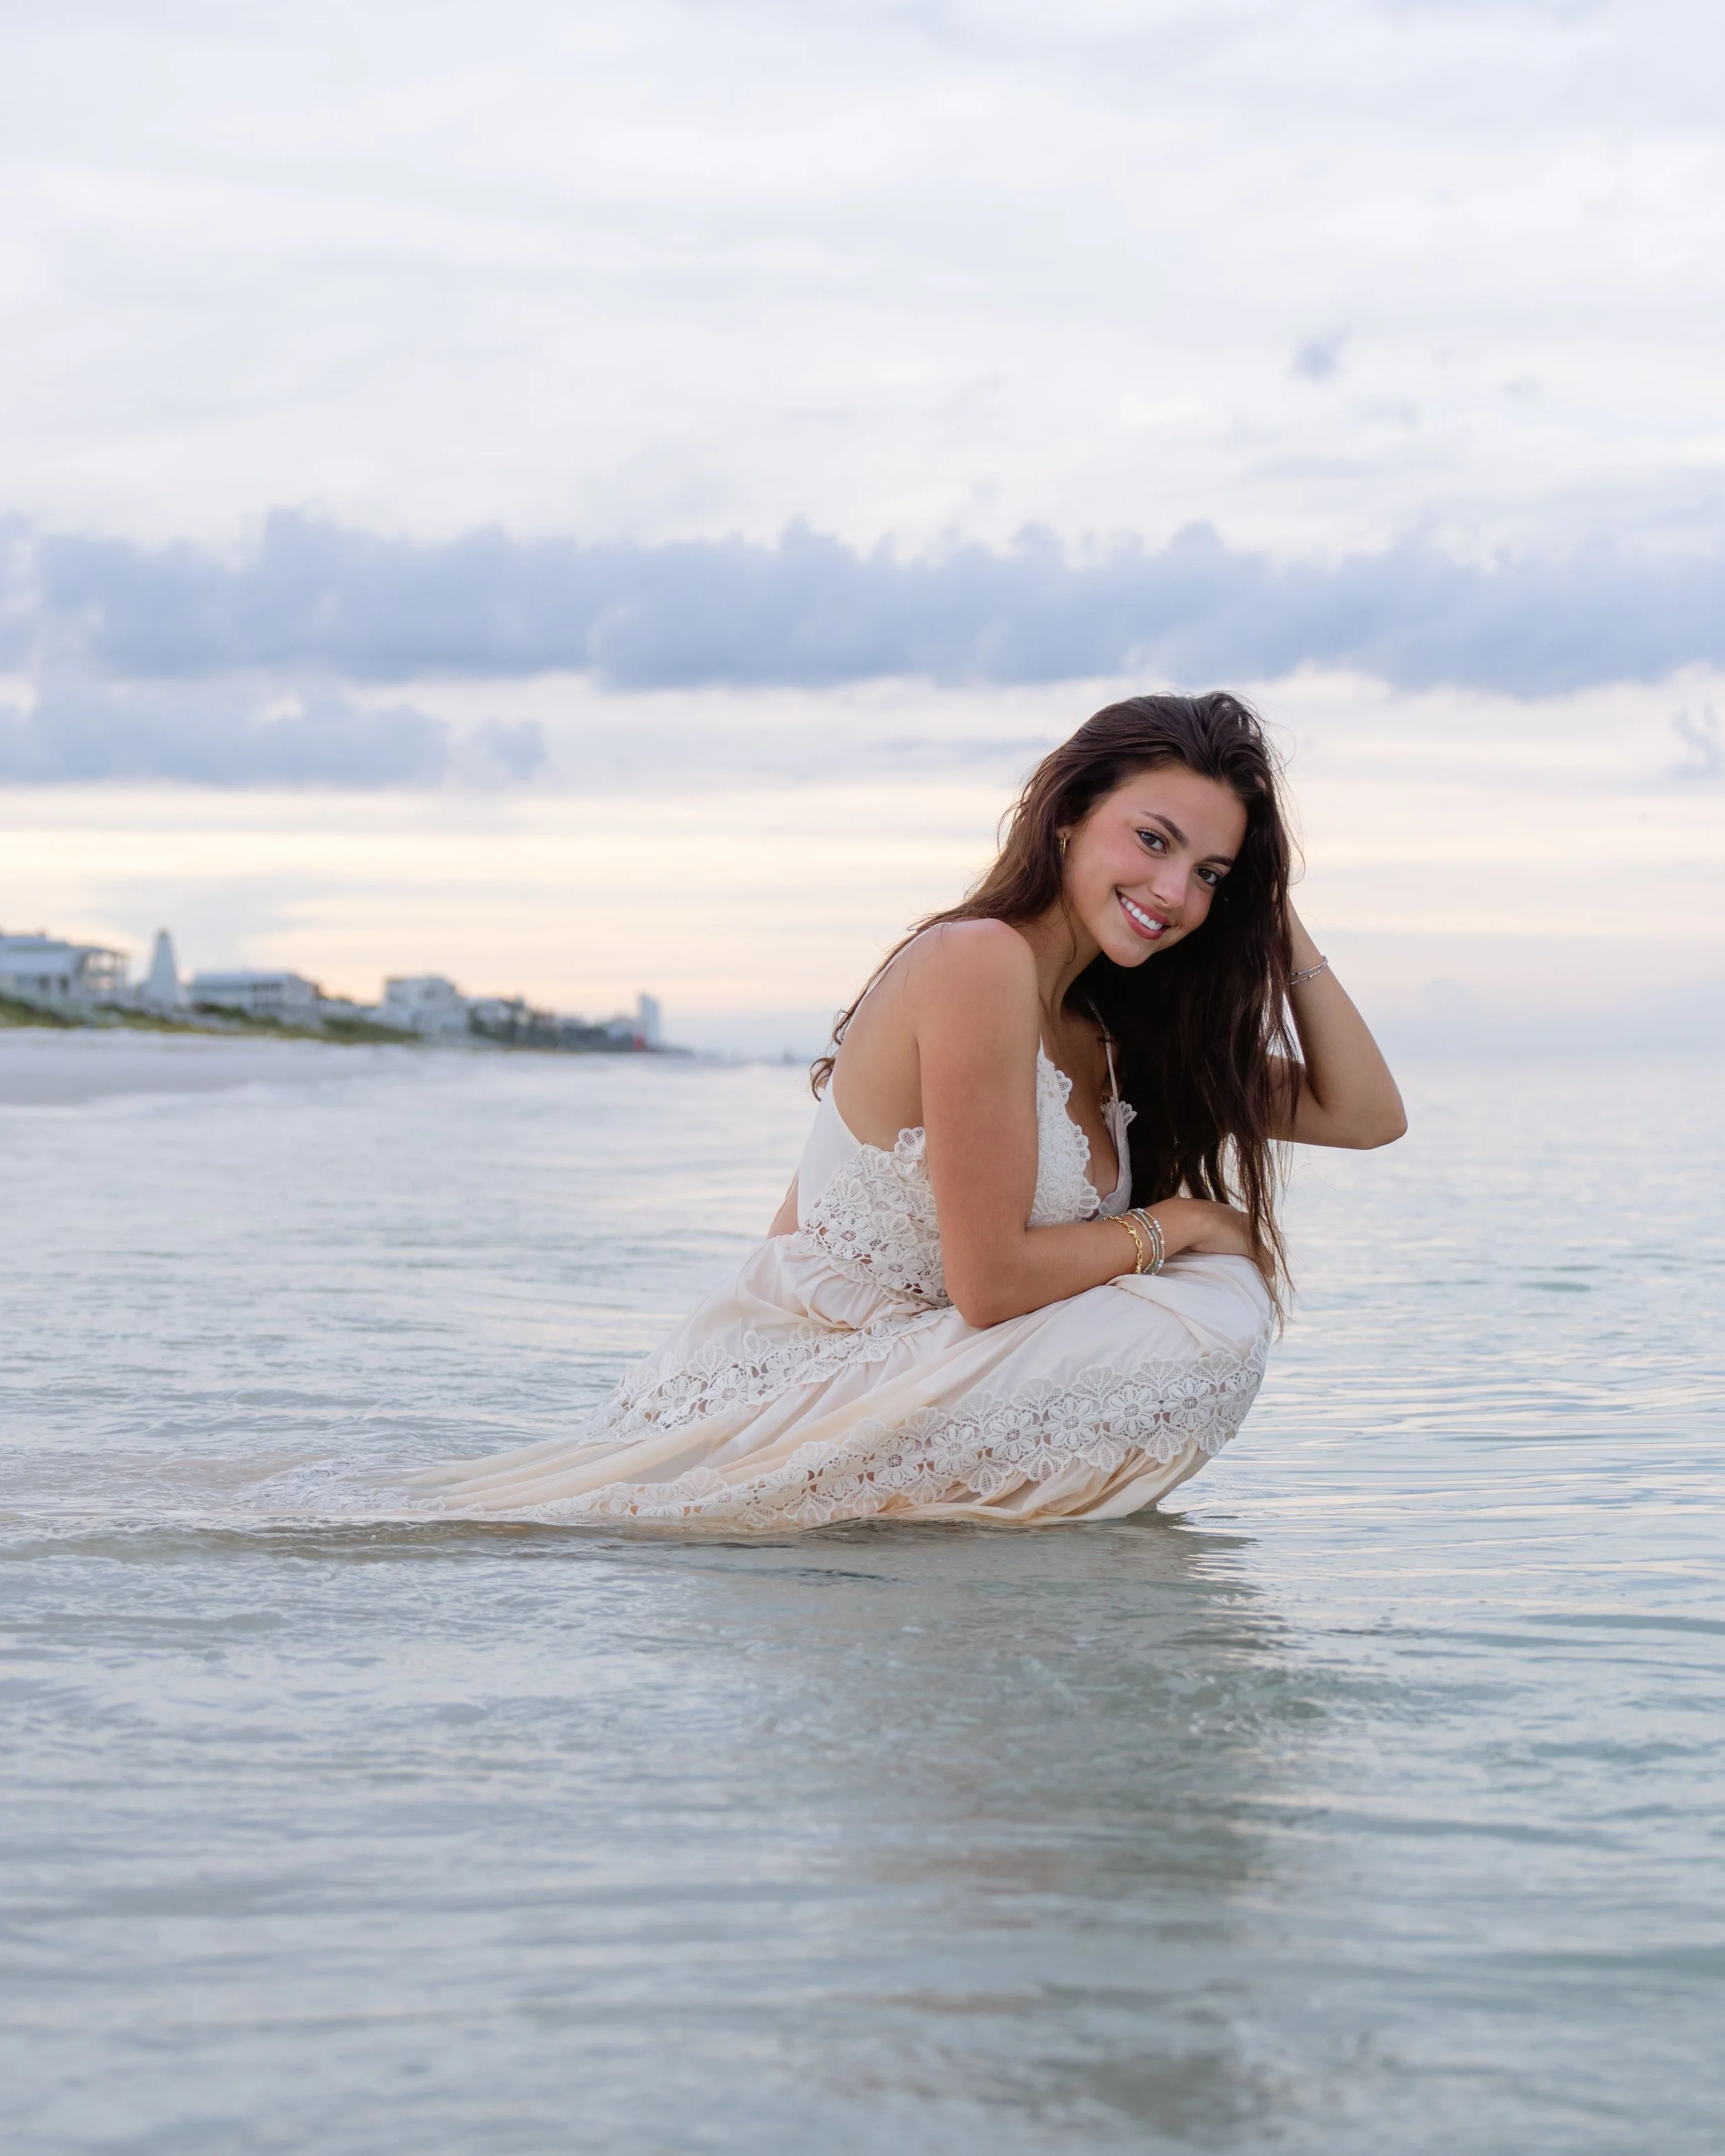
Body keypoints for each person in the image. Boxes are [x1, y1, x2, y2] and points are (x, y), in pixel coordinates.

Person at [413, 693, 1406, 1530]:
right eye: (1152, 841)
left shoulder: (1111, 1031)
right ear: (1069, 816)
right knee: (1209, 1303)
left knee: (1217, 1305)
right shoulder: (979, 960)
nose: (1172, 890)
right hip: (795, 1386)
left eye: (1210, 876)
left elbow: (1365, 1114)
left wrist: (1273, 914)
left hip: (911, 1378)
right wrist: (1184, 1223)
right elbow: (992, 1283)